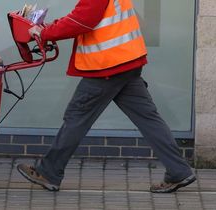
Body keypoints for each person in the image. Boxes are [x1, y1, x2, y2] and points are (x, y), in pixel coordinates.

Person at [17, 0, 196, 193]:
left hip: (107, 67)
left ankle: (49, 172)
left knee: (76, 117)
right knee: (149, 119)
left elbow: (82, 20)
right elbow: (85, 15)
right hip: (127, 61)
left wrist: (44, 33)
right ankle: (179, 170)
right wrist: (52, 26)